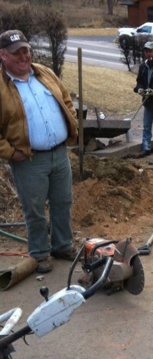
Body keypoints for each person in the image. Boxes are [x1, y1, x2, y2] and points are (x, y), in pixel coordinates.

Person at [0, 30, 79, 273]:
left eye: (26, 50)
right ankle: (39, 253)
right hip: (29, 159)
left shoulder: (44, 73)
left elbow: (66, 100)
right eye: (17, 53)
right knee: (34, 208)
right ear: (3, 55)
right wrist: (12, 153)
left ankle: (62, 245)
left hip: (59, 154)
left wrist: (71, 122)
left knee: (62, 202)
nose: (24, 56)